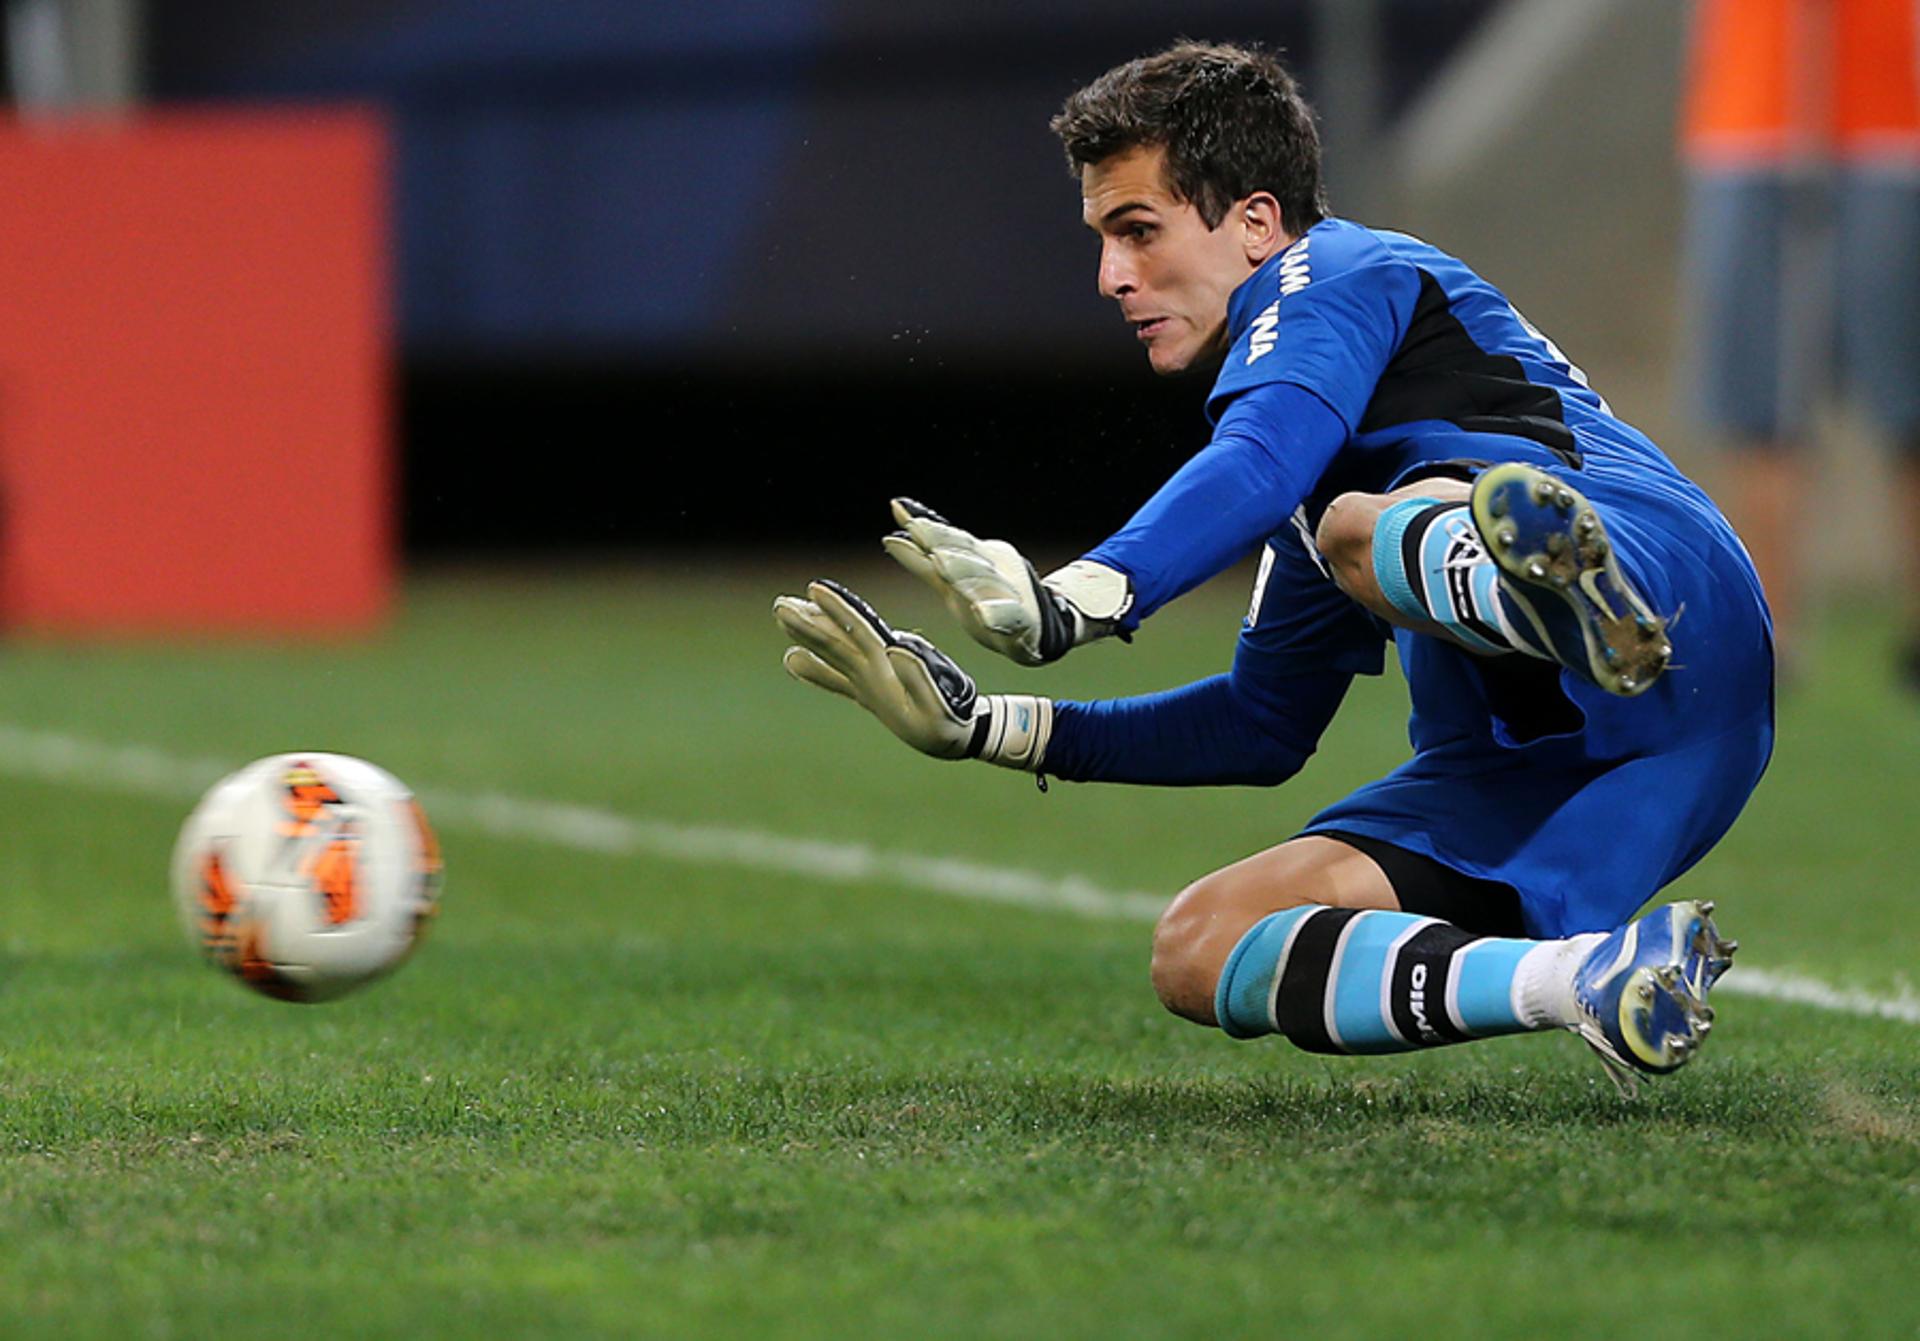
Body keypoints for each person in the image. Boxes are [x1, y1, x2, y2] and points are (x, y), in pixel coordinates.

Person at [774, 41, 1770, 1097]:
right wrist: (992, 726)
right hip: (1582, 752)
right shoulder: (1330, 481)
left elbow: (1257, 457)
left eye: (1138, 230)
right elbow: (1261, 726)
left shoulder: (1336, 270)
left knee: (1357, 529)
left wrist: (1079, 595)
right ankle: (1587, 980)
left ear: (1256, 223)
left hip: (1668, 583)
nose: (1112, 276)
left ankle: (1562, 598)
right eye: (1106, 239)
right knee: (1201, 943)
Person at [1681, 0, 1920, 679]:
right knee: (1759, 401)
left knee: (1908, 397)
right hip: (1751, 121)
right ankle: (1772, 628)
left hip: (1890, 121)